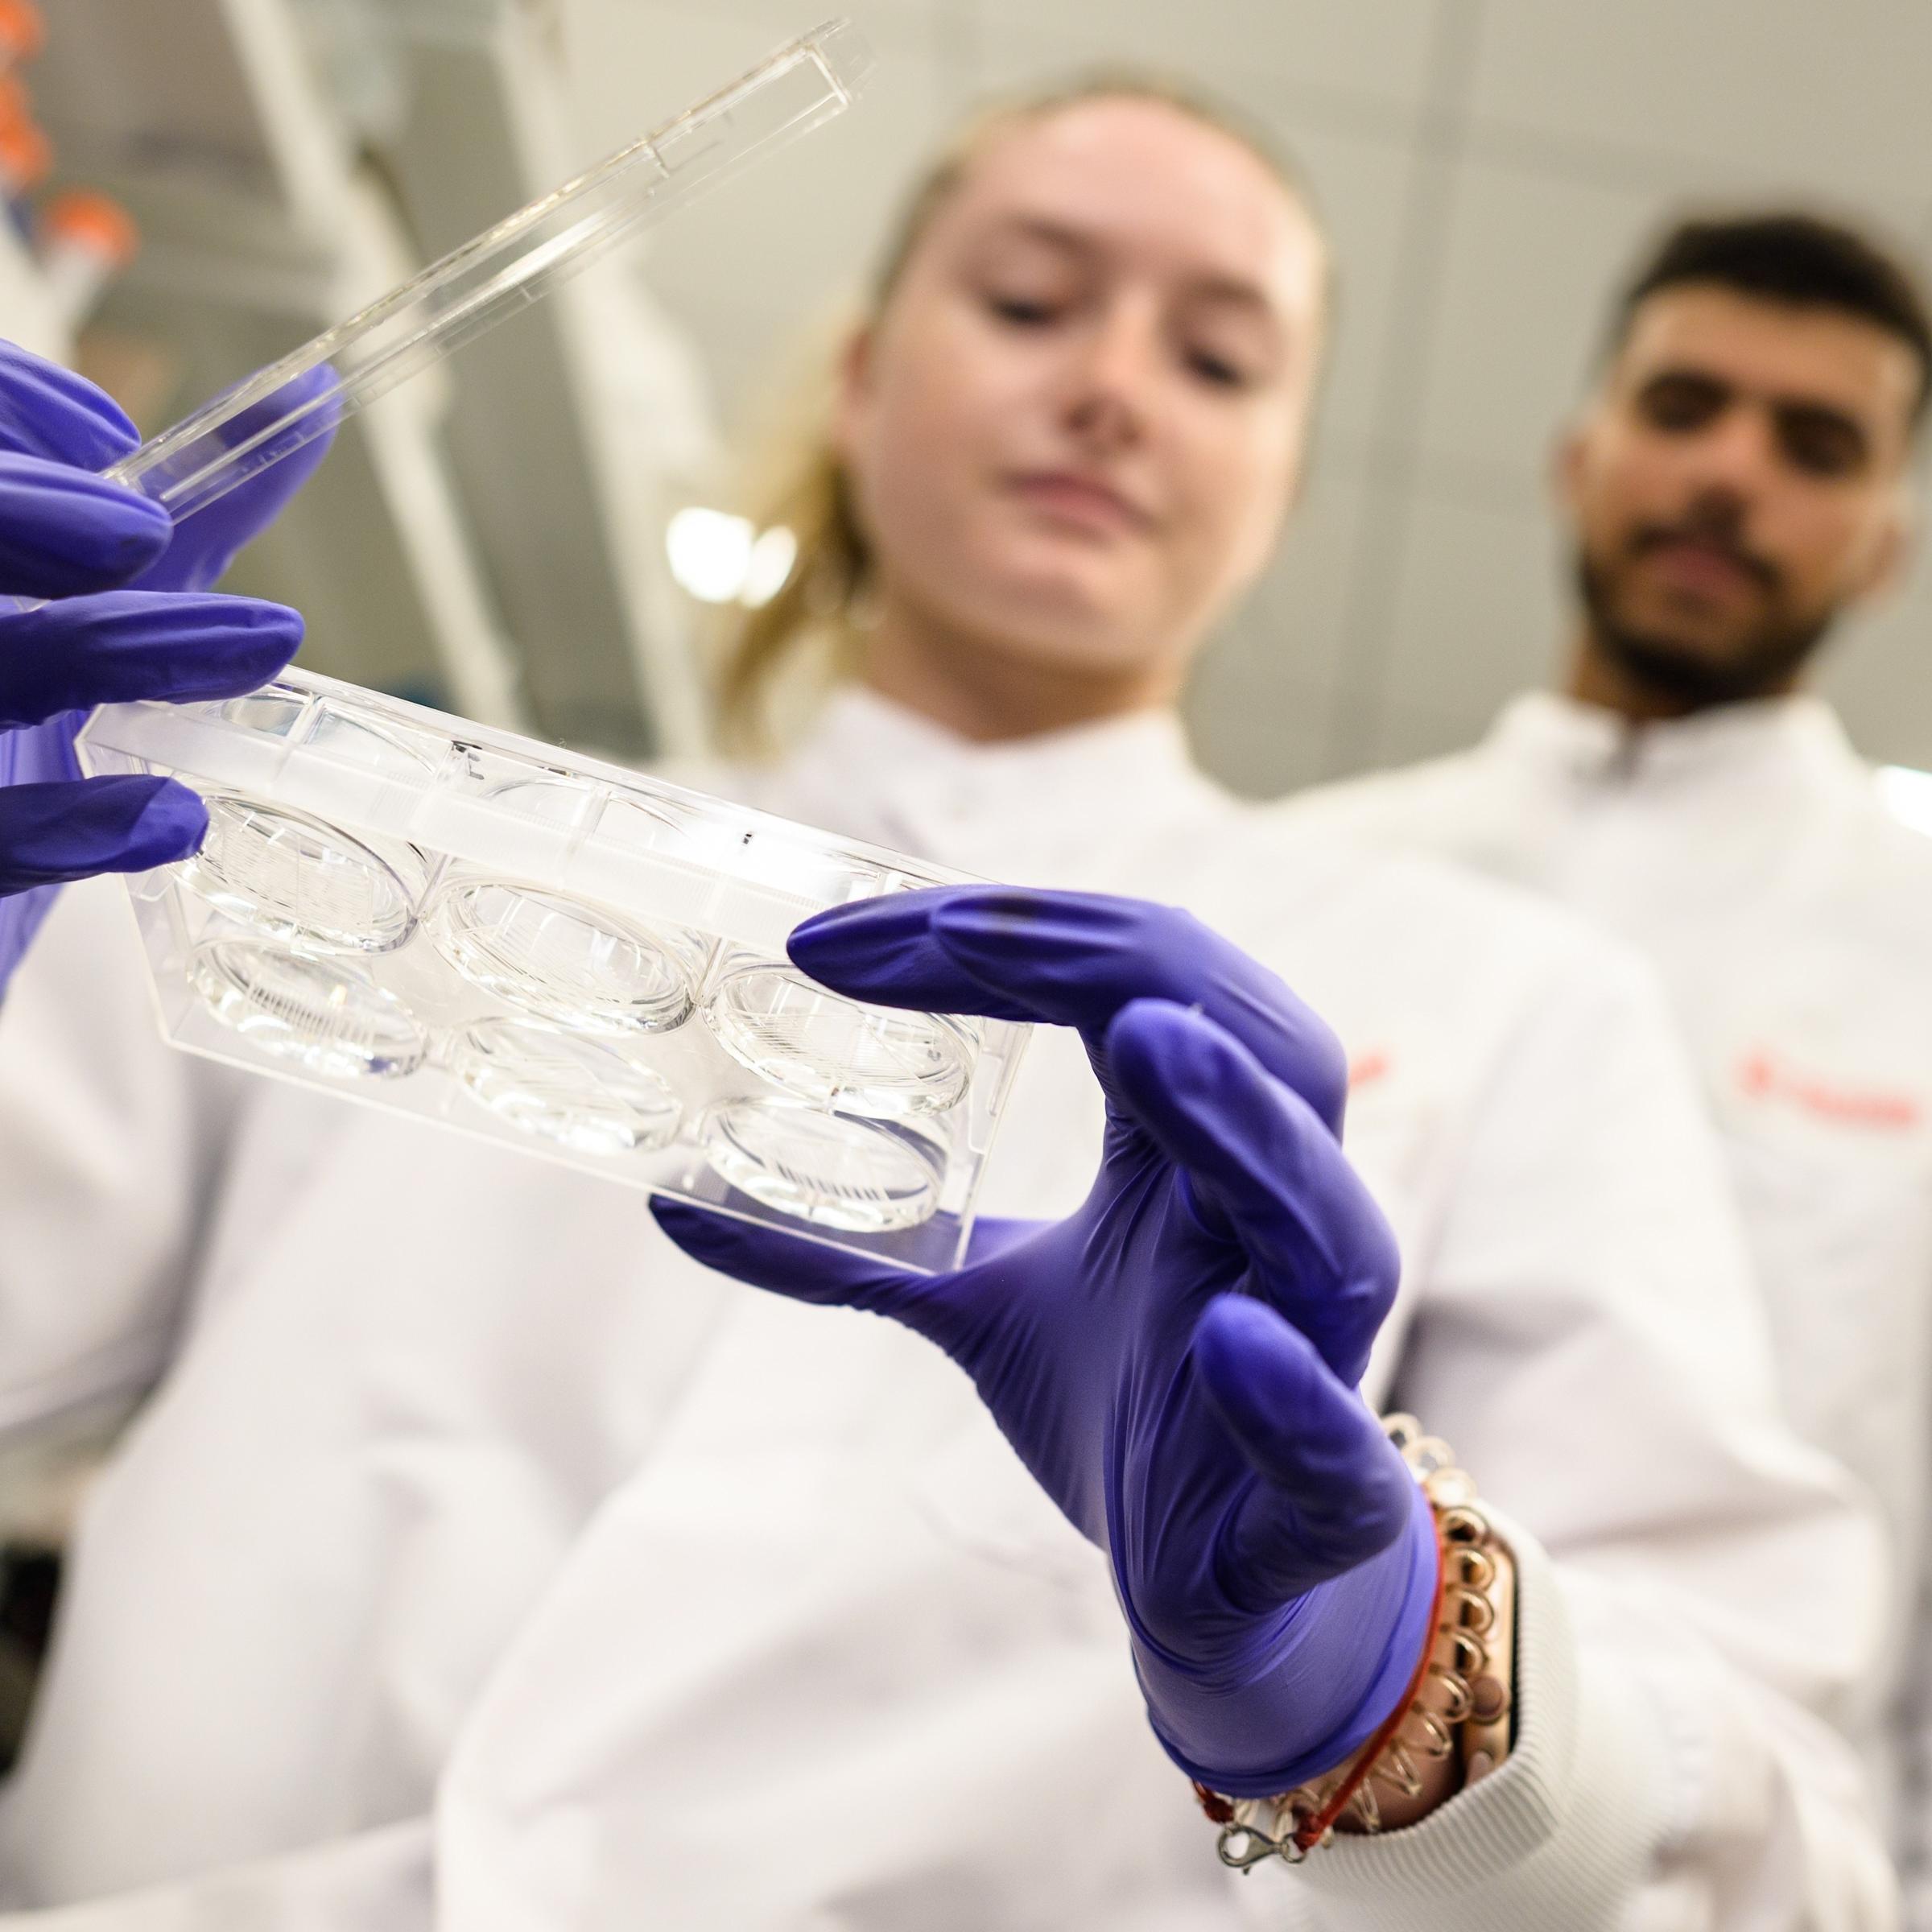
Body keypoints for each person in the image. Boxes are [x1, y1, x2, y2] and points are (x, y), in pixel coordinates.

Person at [0, 87, 1899, 1926]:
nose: (1111, 386)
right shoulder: (380, 841)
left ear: (1279, 490)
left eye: (1219, 362)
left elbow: (1783, 1816)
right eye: (1026, 301)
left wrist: (1399, 1690)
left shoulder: (1494, 995)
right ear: (861, 377)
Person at [1290, 209, 1932, 1916]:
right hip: (1260, 1843)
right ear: (1581, 457)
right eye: (1685, 409)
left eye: (1816, 446)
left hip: (1747, 1866)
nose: (1731, 474)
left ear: (1883, 545)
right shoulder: (1303, 886)